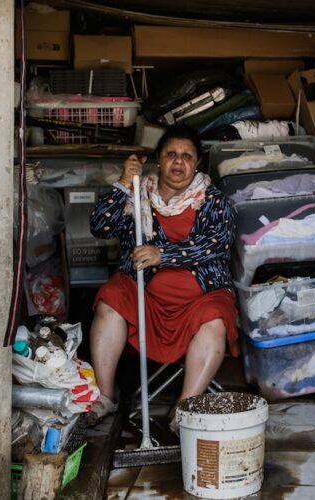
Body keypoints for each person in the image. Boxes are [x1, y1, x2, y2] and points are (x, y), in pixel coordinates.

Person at [87, 124, 238, 429]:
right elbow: (100, 229)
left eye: (187, 156)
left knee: (214, 319)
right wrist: (123, 184)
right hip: (145, 294)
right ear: (159, 158)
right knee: (111, 299)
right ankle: (105, 396)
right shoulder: (138, 194)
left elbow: (218, 243)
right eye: (171, 154)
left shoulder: (214, 201)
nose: (178, 162)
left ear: (197, 163)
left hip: (202, 295)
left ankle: (185, 407)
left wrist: (163, 255)